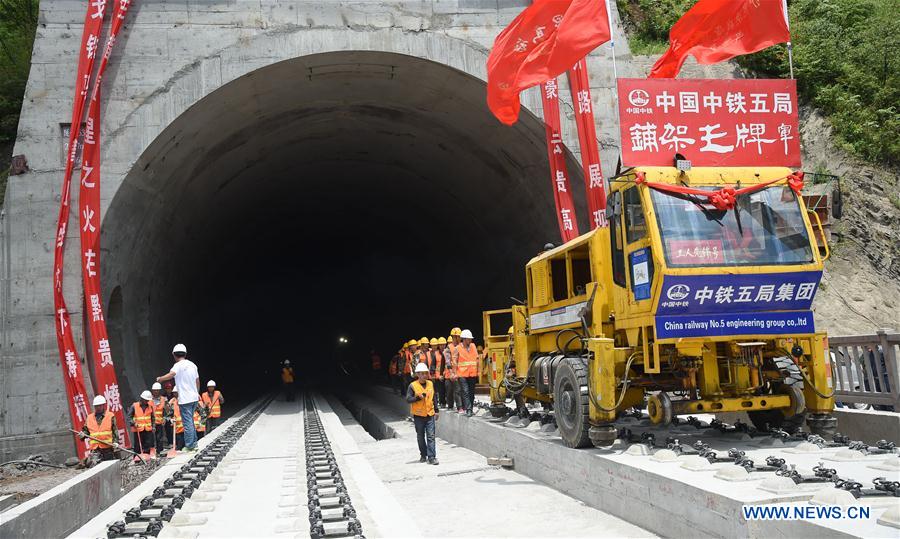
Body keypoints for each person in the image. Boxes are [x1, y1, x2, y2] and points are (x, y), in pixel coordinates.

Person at [156, 343, 200, 451]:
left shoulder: (178, 365)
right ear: (185, 353)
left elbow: (171, 374)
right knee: (191, 421)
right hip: (194, 398)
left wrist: (160, 379)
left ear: (174, 355)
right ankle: (194, 443)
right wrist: (196, 393)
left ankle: (189, 446)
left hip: (185, 399)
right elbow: (197, 381)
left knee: (187, 422)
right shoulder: (193, 365)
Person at [406, 363, 439, 465]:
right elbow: (408, 399)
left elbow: (434, 398)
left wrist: (437, 410)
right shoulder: (412, 386)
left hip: (430, 414)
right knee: (420, 436)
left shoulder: (430, 384)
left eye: (426, 373)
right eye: (422, 374)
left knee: (431, 436)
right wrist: (417, 398)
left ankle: (432, 457)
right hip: (419, 416)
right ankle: (423, 455)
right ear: (418, 374)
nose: (425, 375)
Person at [79, 395, 119, 461]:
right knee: (96, 467)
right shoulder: (89, 418)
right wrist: (82, 435)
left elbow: (114, 430)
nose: (98, 408)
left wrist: (116, 442)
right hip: (95, 449)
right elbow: (86, 431)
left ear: (103, 405)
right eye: (96, 406)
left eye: (100, 406)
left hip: (107, 447)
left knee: (108, 466)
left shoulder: (110, 416)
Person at [457, 329, 479, 416]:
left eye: (470, 339)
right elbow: (454, 362)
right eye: (469, 339)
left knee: (471, 392)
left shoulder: (473, 346)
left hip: (472, 374)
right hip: (462, 374)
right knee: (465, 391)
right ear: (464, 339)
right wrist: (454, 373)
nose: (470, 340)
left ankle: (471, 408)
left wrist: (478, 372)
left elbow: (477, 359)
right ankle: (468, 409)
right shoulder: (458, 348)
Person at [128, 390, 155, 458]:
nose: (147, 401)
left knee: (147, 444)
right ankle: (137, 458)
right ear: (142, 399)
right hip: (138, 429)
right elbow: (129, 417)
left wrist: (153, 426)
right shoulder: (134, 406)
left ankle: (146, 457)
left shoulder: (150, 407)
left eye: (148, 400)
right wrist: (133, 423)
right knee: (137, 446)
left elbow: (152, 418)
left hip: (148, 429)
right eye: (146, 400)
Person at [150, 382, 168, 453]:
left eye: (157, 390)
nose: (156, 392)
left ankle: (159, 450)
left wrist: (165, 418)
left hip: (159, 421)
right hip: (151, 422)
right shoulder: (149, 399)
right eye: (154, 390)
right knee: (151, 438)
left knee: (159, 437)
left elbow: (167, 411)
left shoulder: (163, 399)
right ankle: (151, 451)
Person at [443, 335, 457, 410]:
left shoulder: (460, 347)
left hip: (457, 374)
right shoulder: (447, 350)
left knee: (458, 391)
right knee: (449, 391)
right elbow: (444, 363)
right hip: (448, 374)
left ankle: (460, 406)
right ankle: (450, 406)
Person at [431, 338, 445, 408]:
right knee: (440, 390)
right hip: (438, 376)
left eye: (443, 344)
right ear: (439, 346)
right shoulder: (435, 354)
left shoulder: (447, 352)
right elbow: (433, 365)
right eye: (441, 345)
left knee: (447, 390)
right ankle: (442, 403)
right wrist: (434, 375)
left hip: (446, 374)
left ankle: (447, 402)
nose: (442, 346)